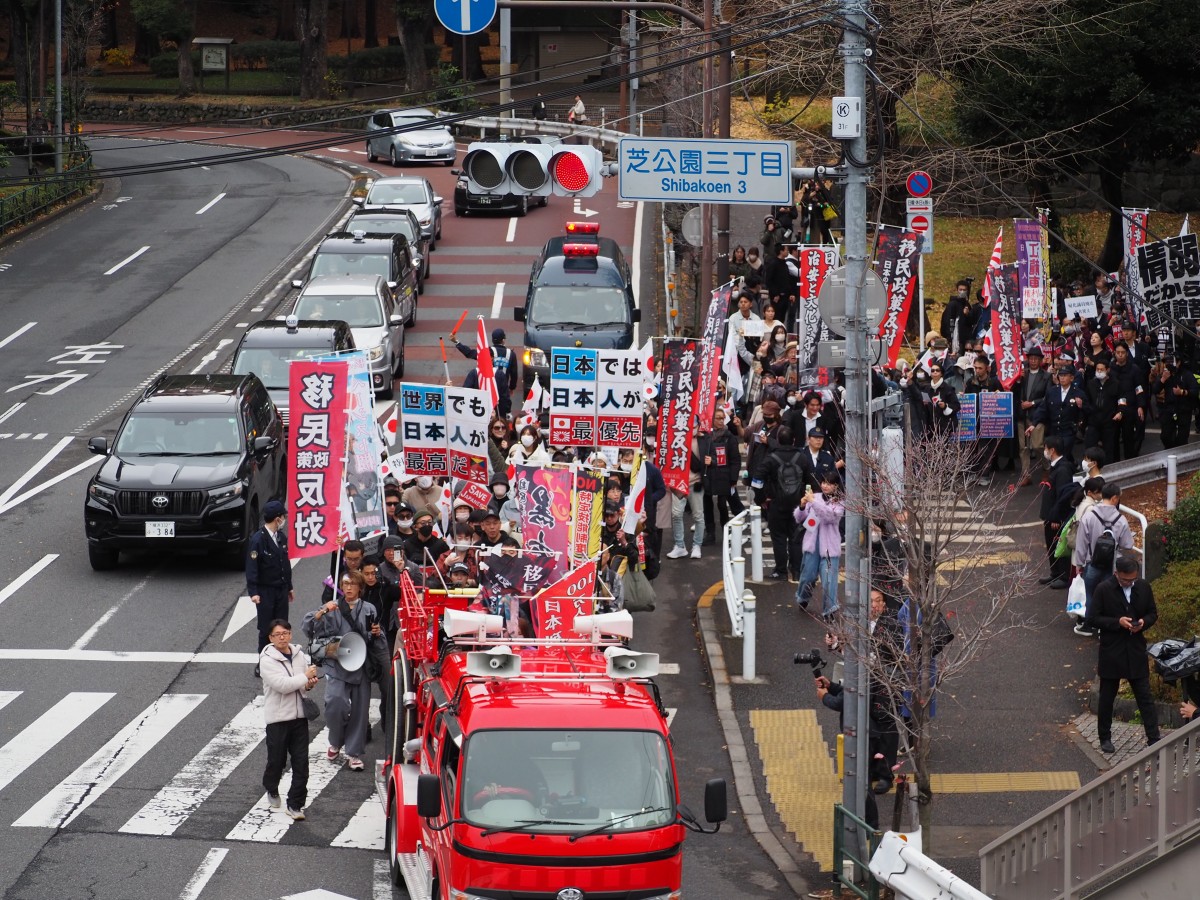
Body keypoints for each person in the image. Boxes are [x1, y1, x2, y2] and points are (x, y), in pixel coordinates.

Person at [303, 571, 382, 771]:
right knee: (334, 704)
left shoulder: (369, 609)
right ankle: (336, 740)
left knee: (359, 711)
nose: (348, 588)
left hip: (360, 664)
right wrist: (322, 613)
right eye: (345, 584)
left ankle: (354, 753)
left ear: (360, 588)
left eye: (353, 584)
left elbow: (375, 639)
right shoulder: (333, 607)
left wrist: (376, 633)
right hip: (336, 663)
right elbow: (309, 629)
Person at [1093, 556, 1160, 753]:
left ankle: (1154, 739)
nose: (1130, 583)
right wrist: (1117, 622)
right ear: (1116, 574)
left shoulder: (1143, 587)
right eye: (1125, 580)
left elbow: (1152, 613)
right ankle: (1104, 737)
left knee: (1145, 696)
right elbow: (1093, 618)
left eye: (1133, 579)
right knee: (1107, 697)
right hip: (1112, 650)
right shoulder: (1104, 589)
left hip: (1135, 648)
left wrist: (1143, 623)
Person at [259, 619, 318, 820]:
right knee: (277, 761)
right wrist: (305, 677)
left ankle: (295, 804)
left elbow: (302, 685)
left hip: (299, 718)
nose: (282, 637)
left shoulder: (299, 655)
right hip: (277, 720)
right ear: (271, 638)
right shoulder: (267, 660)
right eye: (277, 635)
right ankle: (272, 787)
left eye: (285, 633)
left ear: (290, 634)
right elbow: (282, 685)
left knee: (301, 763)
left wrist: (309, 683)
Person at [1077, 483, 1134, 630]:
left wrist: (1079, 563)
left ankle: (1088, 627)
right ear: (1114, 498)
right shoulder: (1121, 520)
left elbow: (1082, 542)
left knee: (1090, 595)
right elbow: (1127, 544)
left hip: (1092, 564)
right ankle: (1106, 628)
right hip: (1112, 566)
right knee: (1109, 597)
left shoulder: (1089, 516)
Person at [246, 500, 294, 673]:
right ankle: (263, 663)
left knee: (282, 627)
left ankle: (281, 661)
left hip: (280, 590)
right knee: (266, 628)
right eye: (283, 516)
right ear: (277, 519)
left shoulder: (281, 537)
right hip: (265, 592)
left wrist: (289, 586)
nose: (284, 519)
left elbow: (285, 564)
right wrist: (253, 592)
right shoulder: (258, 540)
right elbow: (252, 568)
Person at [794, 471, 844, 618]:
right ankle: (803, 597)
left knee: (829, 580)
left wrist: (813, 503)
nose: (825, 486)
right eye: (823, 482)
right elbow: (800, 518)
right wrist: (802, 506)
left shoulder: (840, 502)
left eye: (829, 483)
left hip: (829, 546)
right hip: (812, 543)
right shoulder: (814, 497)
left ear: (836, 486)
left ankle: (829, 610)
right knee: (807, 576)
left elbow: (831, 517)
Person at [761, 426, 806, 580]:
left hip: (776, 504)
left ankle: (781, 571)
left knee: (779, 538)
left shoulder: (771, 458)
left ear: (778, 440)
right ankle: (796, 571)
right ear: (794, 440)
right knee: (796, 538)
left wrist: (761, 499)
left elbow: (757, 479)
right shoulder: (801, 457)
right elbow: (812, 480)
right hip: (797, 505)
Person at [1038, 435, 1075, 589]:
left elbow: (1063, 496)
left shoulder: (1063, 469)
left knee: (1059, 545)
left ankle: (1063, 575)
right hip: (1049, 515)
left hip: (1055, 517)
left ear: (1052, 450)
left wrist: (1056, 517)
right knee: (1051, 545)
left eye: (1046, 448)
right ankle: (1055, 572)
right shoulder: (1056, 467)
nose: (1044, 451)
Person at [454, 328, 518, 418]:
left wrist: (457, 343)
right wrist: (511, 387)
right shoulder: (511, 354)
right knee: (499, 413)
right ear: (503, 340)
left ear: (492, 340)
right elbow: (514, 373)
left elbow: (470, 353)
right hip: (500, 388)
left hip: (483, 387)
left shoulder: (486, 352)